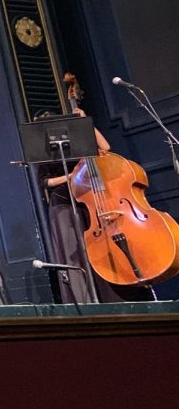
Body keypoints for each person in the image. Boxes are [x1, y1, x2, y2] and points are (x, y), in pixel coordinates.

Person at [34, 108, 149, 304]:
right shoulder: (43, 151)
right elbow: (45, 182)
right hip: (64, 204)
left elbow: (105, 146)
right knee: (74, 251)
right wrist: (71, 177)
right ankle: (83, 300)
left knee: (101, 246)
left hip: (90, 200)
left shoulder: (78, 141)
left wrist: (86, 122)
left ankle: (114, 293)